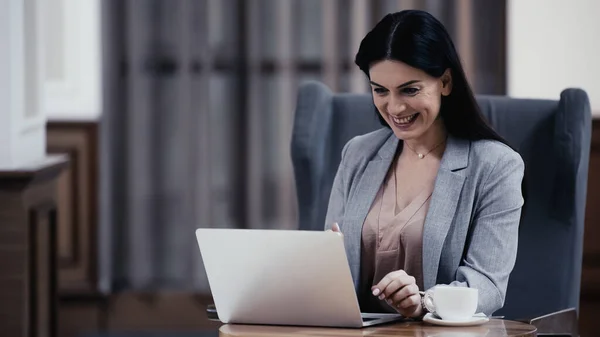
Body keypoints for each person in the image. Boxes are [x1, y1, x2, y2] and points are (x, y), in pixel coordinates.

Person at [324, 10, 525, 318]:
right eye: (380, 90)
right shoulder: (357, 154)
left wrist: (424, 301)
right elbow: (329, 264)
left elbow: (488, 284)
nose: (394, 107)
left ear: (445, 82)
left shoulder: (497, 166)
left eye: (410, 89)